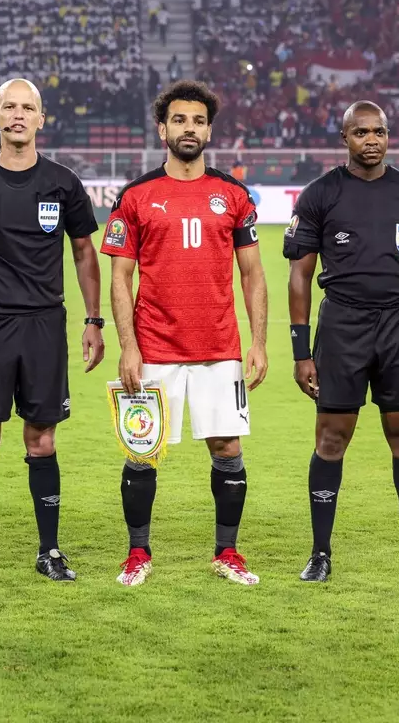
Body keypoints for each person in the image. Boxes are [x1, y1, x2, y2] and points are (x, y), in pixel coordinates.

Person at [0, 78, 105, 582]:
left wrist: (94, 320)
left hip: (44, 326)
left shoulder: (63, 184)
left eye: (28, 107)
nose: (18, 115)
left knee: (41, 441)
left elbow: (84, 254)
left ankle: (49, 551)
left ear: (41, 118)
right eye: (9, 107)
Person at [102, 80, 268, 588]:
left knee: (227, 448)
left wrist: (258, 343)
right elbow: (119, 278)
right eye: (179, 120)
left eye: (197, 121)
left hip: (219, 348)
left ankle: (228, 552)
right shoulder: (135, 197)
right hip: (154, 347)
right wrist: (129, 347)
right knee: (142, 449)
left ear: (209, 129)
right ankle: (137, 553)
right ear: (162, 128)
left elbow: (254, 274)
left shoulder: (232, 195)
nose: (188, 128)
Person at [283, 101, 399, 584]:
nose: (372, 139)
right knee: (331, 438)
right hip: (341, 326)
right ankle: (320, 555)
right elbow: (299, 277)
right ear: (345, 138)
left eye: (379, 131)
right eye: (361, 132)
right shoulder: (320, 195)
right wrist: (301, 351)